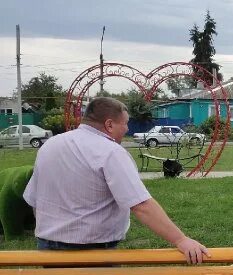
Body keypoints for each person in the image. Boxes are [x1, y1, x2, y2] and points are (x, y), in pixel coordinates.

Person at [23, 97, 209, 264]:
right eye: (126, 123)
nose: (127, 129)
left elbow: (34, 199)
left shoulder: (51, 145)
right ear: (109, 124)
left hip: (48, 247)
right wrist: (181, 240)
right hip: (91, 252)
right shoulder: (110, 152)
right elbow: (141, 205)